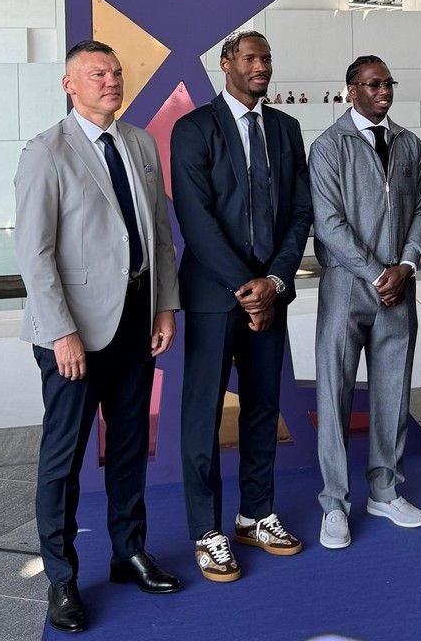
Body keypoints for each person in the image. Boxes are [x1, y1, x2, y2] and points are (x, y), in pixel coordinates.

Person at [15, 40, 181, 633]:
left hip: (136, 319)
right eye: (96, 74)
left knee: (130, 447)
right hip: (74, 333)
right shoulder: (46, 152)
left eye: (115, 72)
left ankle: (127, 552)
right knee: (63, 460)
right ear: (69, 85)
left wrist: (165, 307)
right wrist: (61, 332)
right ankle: (62, 578)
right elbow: (34, 255)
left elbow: (159, 233)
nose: (111, 81)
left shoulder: (138, 143)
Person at [171, 31, 314, 582]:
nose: (261, 66)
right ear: (225, 63)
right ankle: (206, 530)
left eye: (267, 58)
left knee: (261, 406)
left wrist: (274, 281)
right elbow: (196, 218)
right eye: (250, 57)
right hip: (215, 296)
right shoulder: (194, 128)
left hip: (270, 294)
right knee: (203, 412)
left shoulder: (286, 128)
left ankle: (255, 514)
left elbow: (299, 212)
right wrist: (245, 286)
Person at [308, 56, 421, 548]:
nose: (384, 91)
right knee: (334, 394)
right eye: (373, 84)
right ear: (351, 90)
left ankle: (384, 490)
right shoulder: (328, 146)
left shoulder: (409, 143)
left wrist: (406, 264)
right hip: (347, 286)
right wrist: (376, 272)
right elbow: (328, 223)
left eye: (388, 83)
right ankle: (334, 503)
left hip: (398, 287)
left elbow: (420, 208)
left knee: (392, 393)